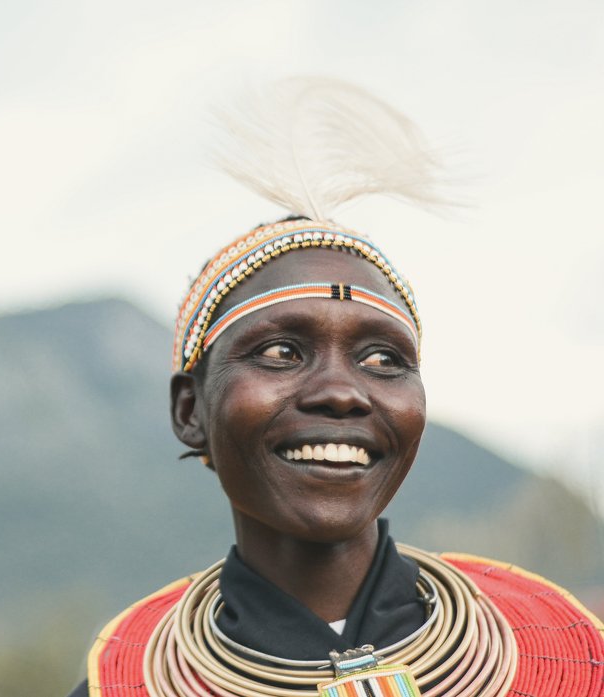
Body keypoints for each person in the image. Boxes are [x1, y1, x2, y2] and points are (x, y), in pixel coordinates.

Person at [67, 79, 604, 697]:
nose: (342, 393)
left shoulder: (566, 670)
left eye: (383, 358)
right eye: (280, 352)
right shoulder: (122, 687)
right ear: (190, 410)